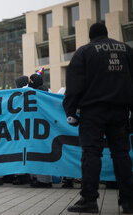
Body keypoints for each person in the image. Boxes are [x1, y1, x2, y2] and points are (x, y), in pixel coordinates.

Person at [64, 23, 133, 213]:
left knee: (91, 154)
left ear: (90, 37)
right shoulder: (126, 50)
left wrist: (70, 111)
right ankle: (128, 200)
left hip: (93, 112)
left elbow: (74, 84)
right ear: (107, 34)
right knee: (121, 154)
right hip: (120, 110)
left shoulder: (84, 52)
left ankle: (89, 200)